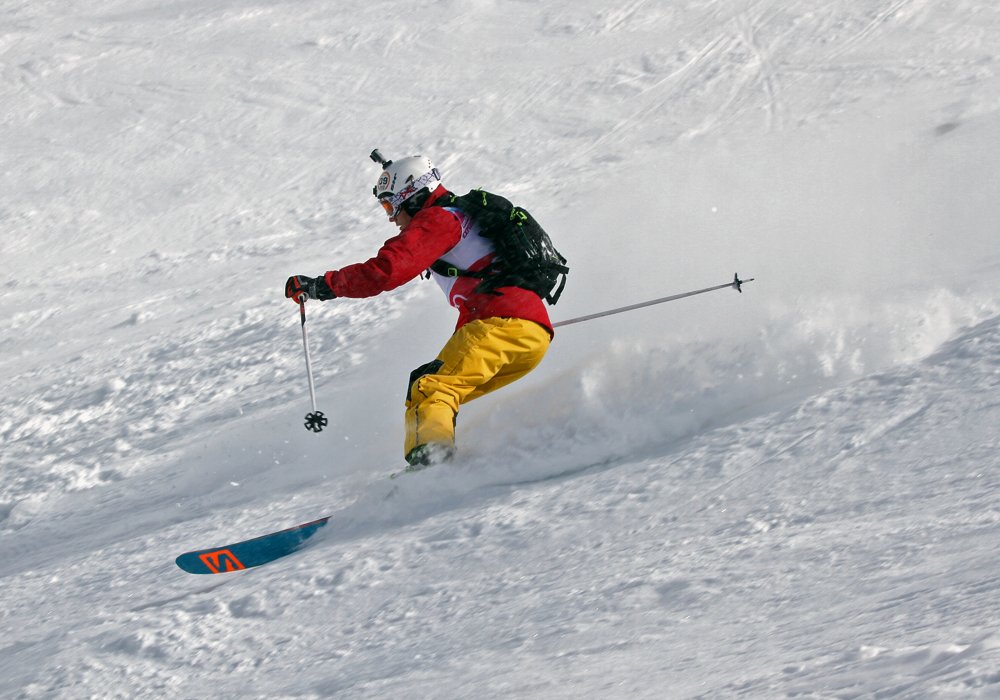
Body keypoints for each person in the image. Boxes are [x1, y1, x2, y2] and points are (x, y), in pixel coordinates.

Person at [285, 153, 554, 468]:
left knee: (431, 388)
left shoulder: (439, 219)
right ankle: (456, 460)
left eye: (389, 206)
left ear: (409, 196)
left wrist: (324, 285)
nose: (391, 218)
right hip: (528, 334)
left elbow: (387, 270)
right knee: (429, 385)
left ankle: (432, 466)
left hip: (502, 323)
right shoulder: (461, 218)